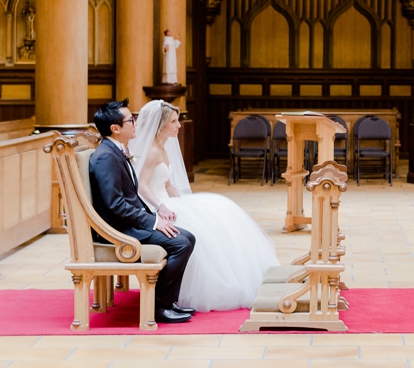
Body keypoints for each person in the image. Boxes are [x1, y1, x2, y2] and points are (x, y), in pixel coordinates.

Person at [131, 99, 280, 312]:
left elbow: (167, 184)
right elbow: (142, 188)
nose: (179, 125)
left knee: (221, 210)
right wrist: (161, 207)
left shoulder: (162, 148)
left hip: (169, 202)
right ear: (160, 125)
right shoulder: (153, 152)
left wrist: (187, 205)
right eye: (174, 121)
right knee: (208, 226)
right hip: (157, 207)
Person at [89, 99, 196, 323]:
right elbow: (115, 204)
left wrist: (154, 217)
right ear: (115, 128)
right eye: (131, 120)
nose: (136, 123)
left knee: (188, 237)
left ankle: (168, 301)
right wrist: (153, 221)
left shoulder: (116, 150)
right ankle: (159, 306)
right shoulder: (106, 157)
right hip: (119, 230)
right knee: (181, 244)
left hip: (128, 222)